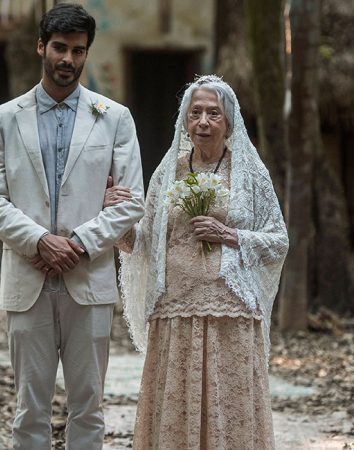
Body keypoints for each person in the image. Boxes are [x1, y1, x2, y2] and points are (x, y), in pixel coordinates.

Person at [0, 4, 144, 449]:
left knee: (88, 406)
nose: (68, 59)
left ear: (87, 53)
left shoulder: (114, 117)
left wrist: (78, 244)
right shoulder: (2, 119)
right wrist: (38, 240)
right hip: (27, 276)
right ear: (41, 47)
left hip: (88, 280)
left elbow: (132, 203)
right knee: (29, 406)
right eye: (59, 48)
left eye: (78, 50)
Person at [106, 75, 289, 449]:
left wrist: (230, 235)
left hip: (231, 312)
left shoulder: (249, 174)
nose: (203, 121)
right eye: (196, 113)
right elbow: (140, 242)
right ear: (185, 121)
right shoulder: (167, 172)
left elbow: (278, 241)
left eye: (213, 114)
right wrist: (115, 216)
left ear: (229, 121)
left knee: (228, 404)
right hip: (175, 308)